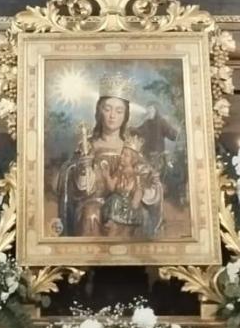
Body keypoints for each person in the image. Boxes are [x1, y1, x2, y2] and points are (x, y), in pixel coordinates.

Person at [55, 93, 163, 238]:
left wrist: (149, 183)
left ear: (125, 116)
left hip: (126, 203)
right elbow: (73, 181)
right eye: (107, 109)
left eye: (119, 111)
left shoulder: (131, 148)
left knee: (140, 216)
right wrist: (83, 169)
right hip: (95, 202)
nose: (112, 116)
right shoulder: (88, 146)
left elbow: (146, 180)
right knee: (91, 214)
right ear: (100, 111)